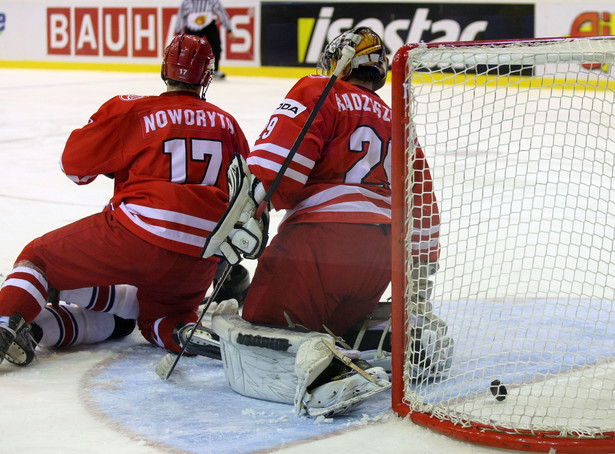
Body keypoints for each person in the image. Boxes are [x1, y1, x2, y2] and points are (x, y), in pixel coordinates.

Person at [199, 26, 450, 418]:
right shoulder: (400, 122)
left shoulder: (319, 90)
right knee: (327, 324)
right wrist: (421, 264)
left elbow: (275, 167)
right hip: (381, 259)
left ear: (338, 62)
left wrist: (250, 215)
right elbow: (422, 203)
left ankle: (327, 375)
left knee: (259, 328)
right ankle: (394, 339)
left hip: (319, 246)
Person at [0, 34, 250, 367]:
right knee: (157, 316)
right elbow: (247, 197)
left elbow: (73, 166)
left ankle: (7, 322)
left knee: (38, 260)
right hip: (201, 254)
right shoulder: (229, 124)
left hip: (138, 237)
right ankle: (179, 329)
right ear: (207, 76)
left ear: (165, 68)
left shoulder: (134, 109)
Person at [175, 0, 234, 79]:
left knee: (215, 46)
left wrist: (229, 29)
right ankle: (188, 69)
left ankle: (214, 69)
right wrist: (178, 32)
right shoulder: (186, 2)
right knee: (189, 49)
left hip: (208, 24)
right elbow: (181, 16)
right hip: (191, 26)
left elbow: (221, 13)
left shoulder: (212, 1)